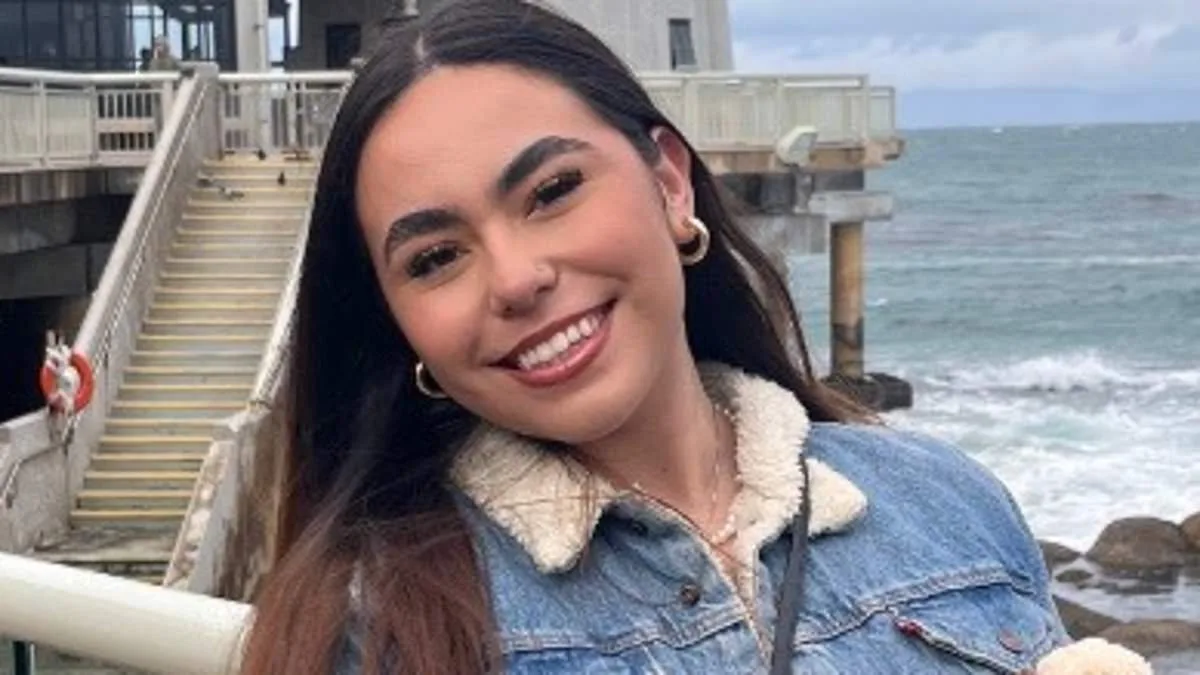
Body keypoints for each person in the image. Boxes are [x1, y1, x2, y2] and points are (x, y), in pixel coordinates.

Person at [240, 2, 1151, 673]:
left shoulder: (945, 500)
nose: (516, 278)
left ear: (670, 184)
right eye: (437, 257)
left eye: (553, 191)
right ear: (398, 320)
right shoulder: (380, 625)